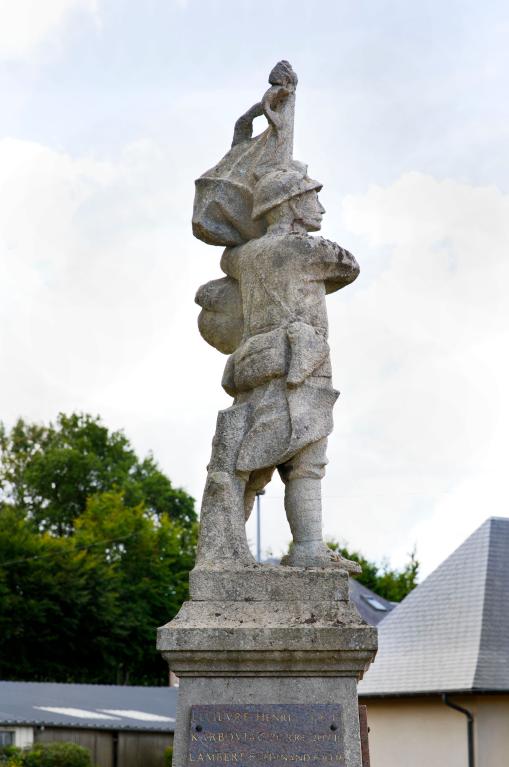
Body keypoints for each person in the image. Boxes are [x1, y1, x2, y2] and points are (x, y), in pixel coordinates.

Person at [215, 165, 360, 568]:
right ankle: (308, 549)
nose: (321, 208)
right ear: (292, 205)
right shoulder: (311, 251)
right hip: (301, 362)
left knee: (253, 462)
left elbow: (229, 259)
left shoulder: (243, 257)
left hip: (254, 362)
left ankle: (226, 549)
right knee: (305, 463)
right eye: (312, 197)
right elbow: (350, 267)